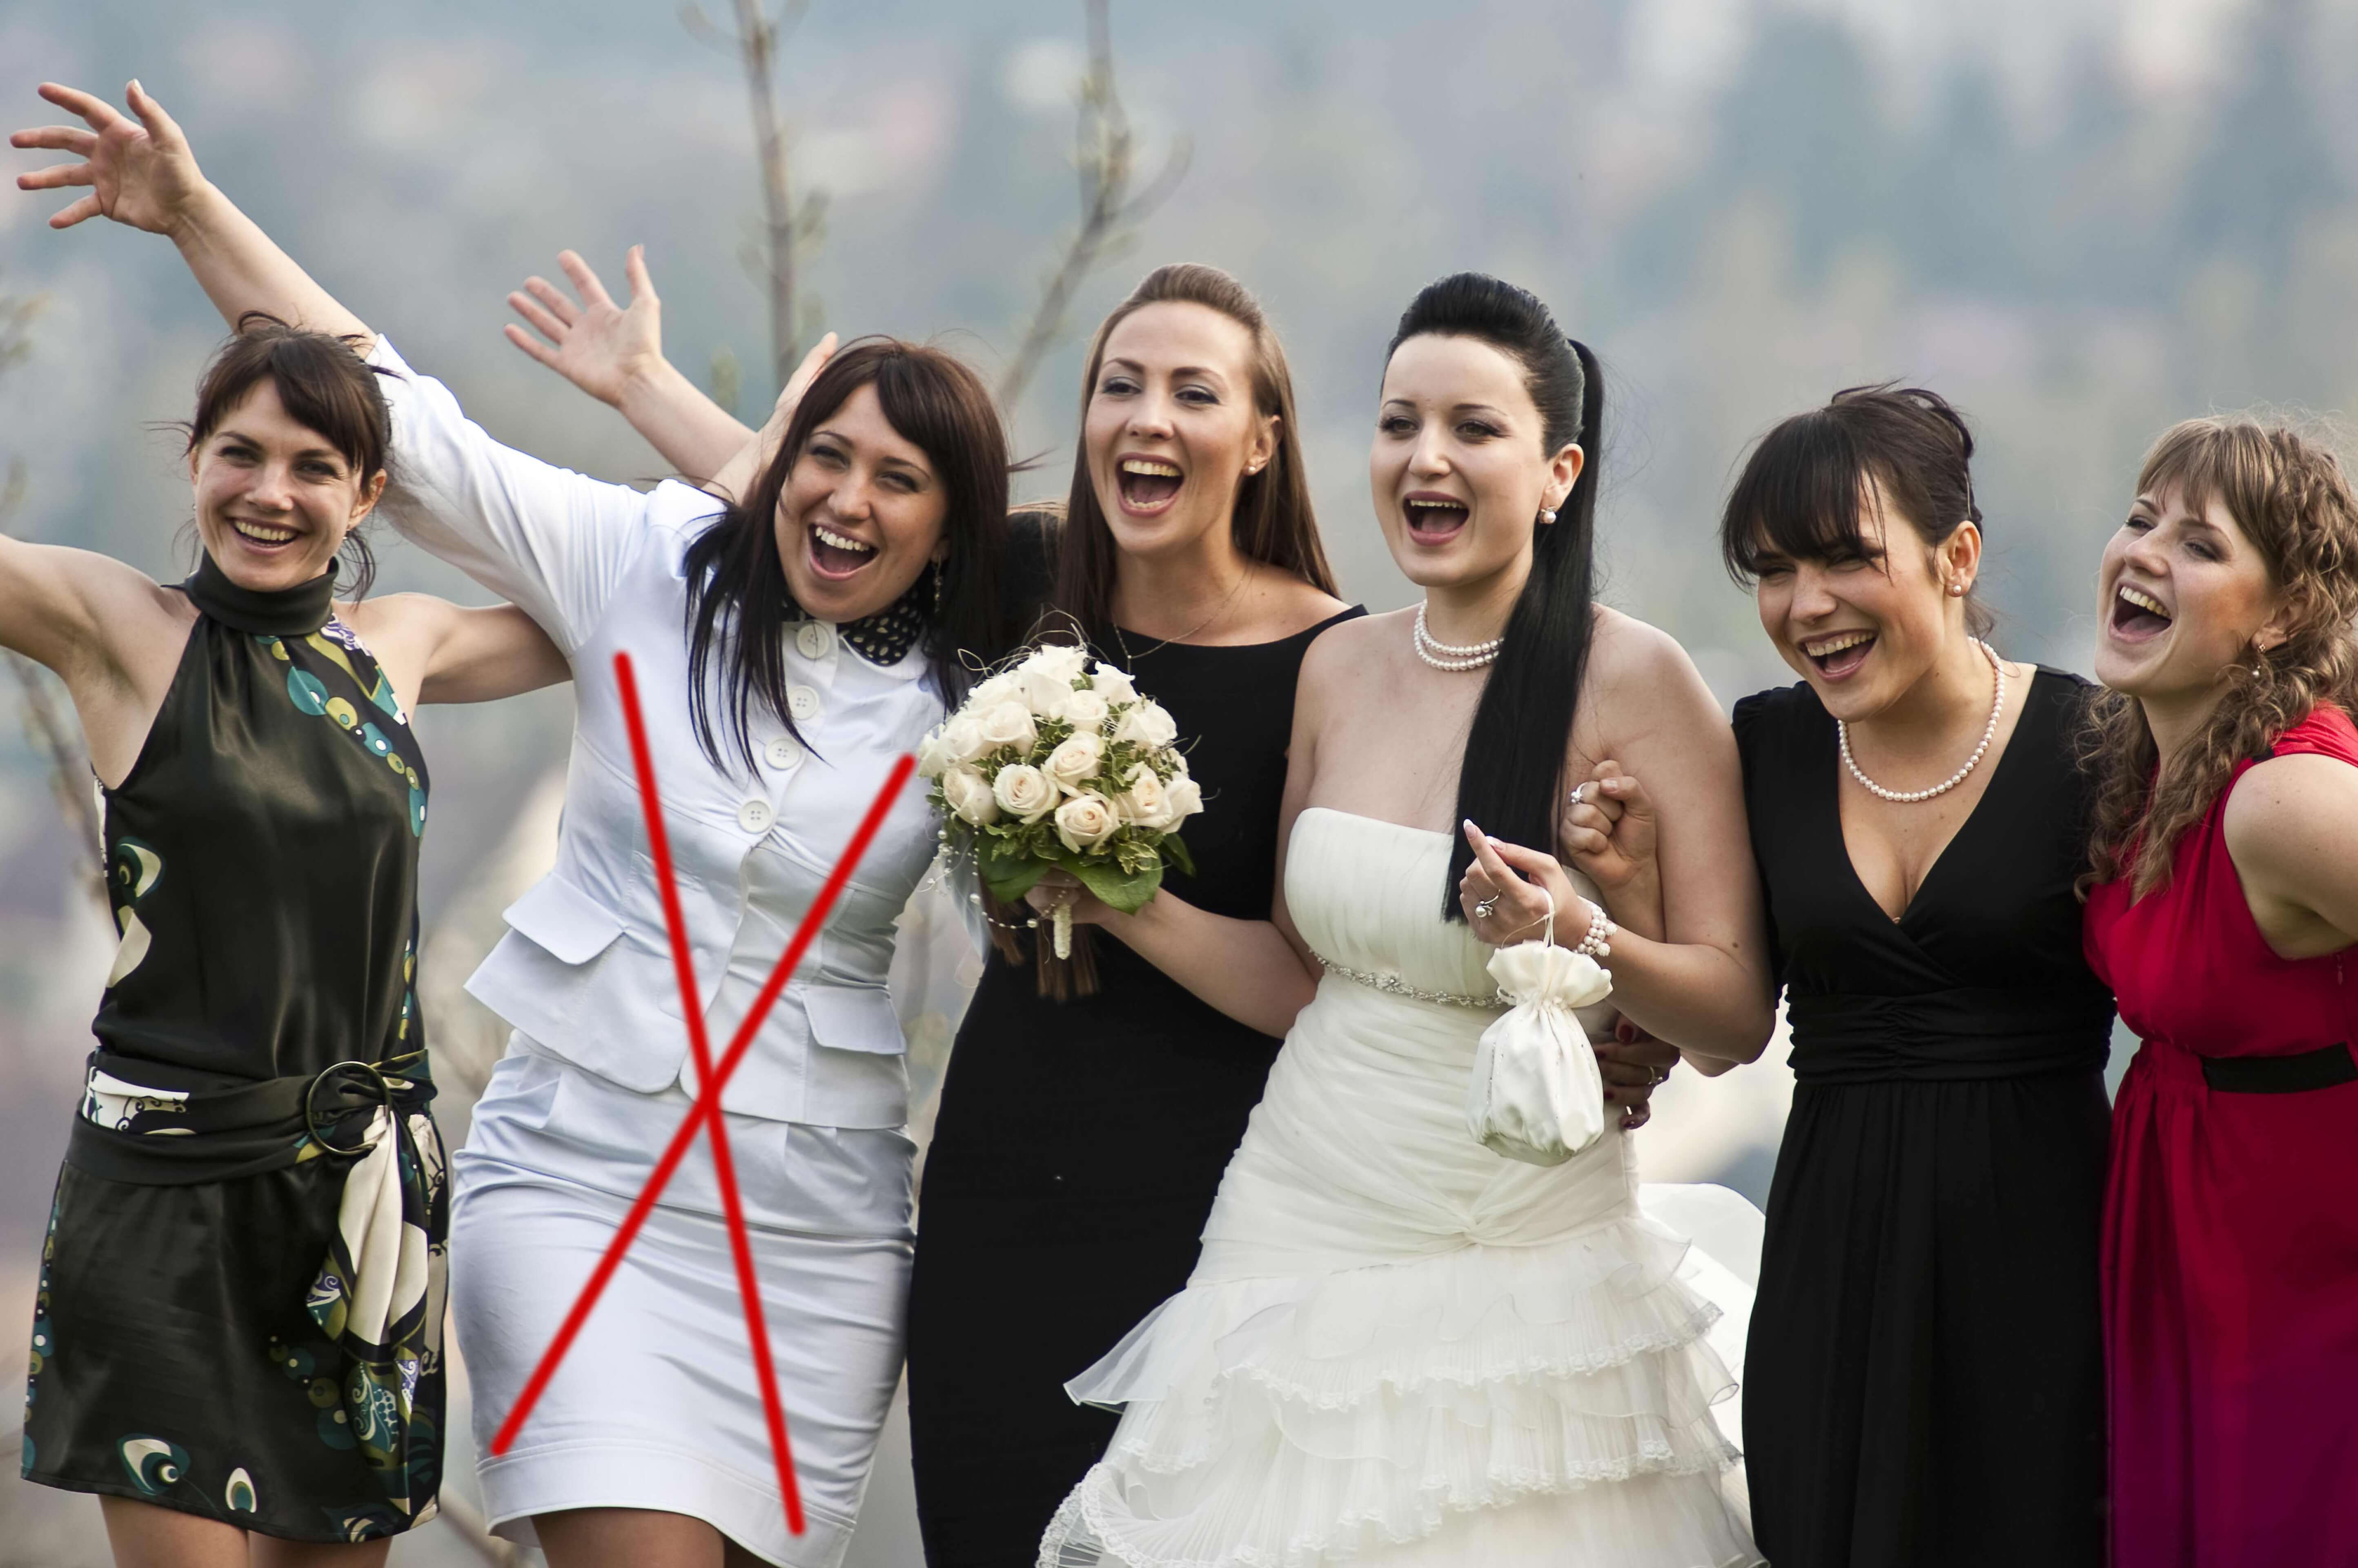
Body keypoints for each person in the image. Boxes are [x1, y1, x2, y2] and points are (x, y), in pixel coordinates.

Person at [30, 78, 1026, 1568]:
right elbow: (406, 430)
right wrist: (188, 213)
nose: (851, 498)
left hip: (813, 1235)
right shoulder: (646, 565)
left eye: (901, 482)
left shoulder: (978, 697)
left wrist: (657, 400)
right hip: (571, 1181)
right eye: (825, 456)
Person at [1030, 273, 1772, 1565]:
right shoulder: (1339, 664)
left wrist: (1579, 934)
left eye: (1474, 429)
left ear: (1558, 471)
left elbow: (1729, 1020)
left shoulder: (1638, 678)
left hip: (1521, 1243)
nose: (1426, 458)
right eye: (1398, 423)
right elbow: (1296, 981)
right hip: (1297, 1221)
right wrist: (1117, 902)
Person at [9, 91, 568, 1567]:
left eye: (316, 466)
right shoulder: (122, 634)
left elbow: (637, 593)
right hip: (166, 1197)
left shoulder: (408, 647)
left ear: (369, 494)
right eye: (241, 454)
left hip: (363, 1202)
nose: (273, 492)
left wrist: (738, 462)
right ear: (192, 463)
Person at [1617, 386, 2115, 1565]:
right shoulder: (1767, 748)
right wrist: (1627, 889)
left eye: (1847, 559)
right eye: (1775, 570)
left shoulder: (2093, 746)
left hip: (2046, 1258)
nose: (1807, 605)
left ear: (1958, 556)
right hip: (1831, 1260)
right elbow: (1720, 1030)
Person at [2080, 416, 2358, 1568]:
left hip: (2303, 1257)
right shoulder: (2141, 767)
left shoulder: (2282, 798)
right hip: (2185, 1233)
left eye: (2201, 544)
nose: (2146, 553)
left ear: (2284, 615)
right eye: (2141, 520)